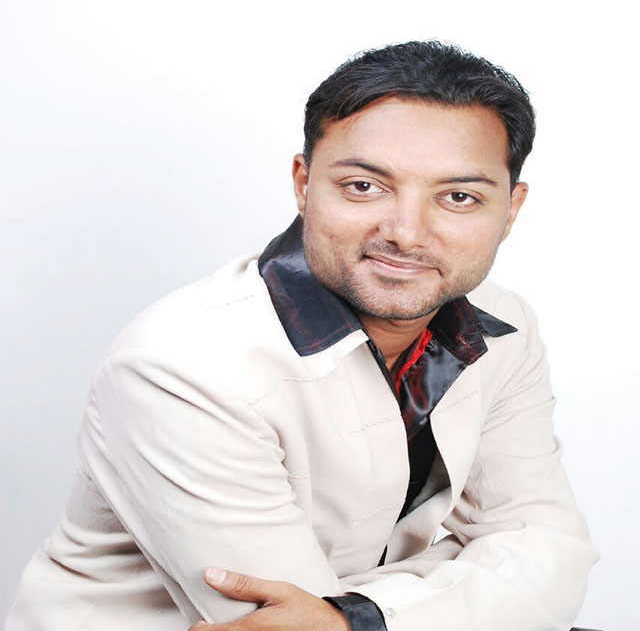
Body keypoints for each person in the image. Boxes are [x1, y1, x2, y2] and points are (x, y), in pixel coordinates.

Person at [5, 40, 599, 631]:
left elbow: (551, 551)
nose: (406, 233)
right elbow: (278, 623)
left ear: (511, 209)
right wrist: (472, 586)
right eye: (364, 186)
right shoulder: (181, 367)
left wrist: (358, 619)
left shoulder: (506, 326)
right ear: (304, 183)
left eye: (459, 197)